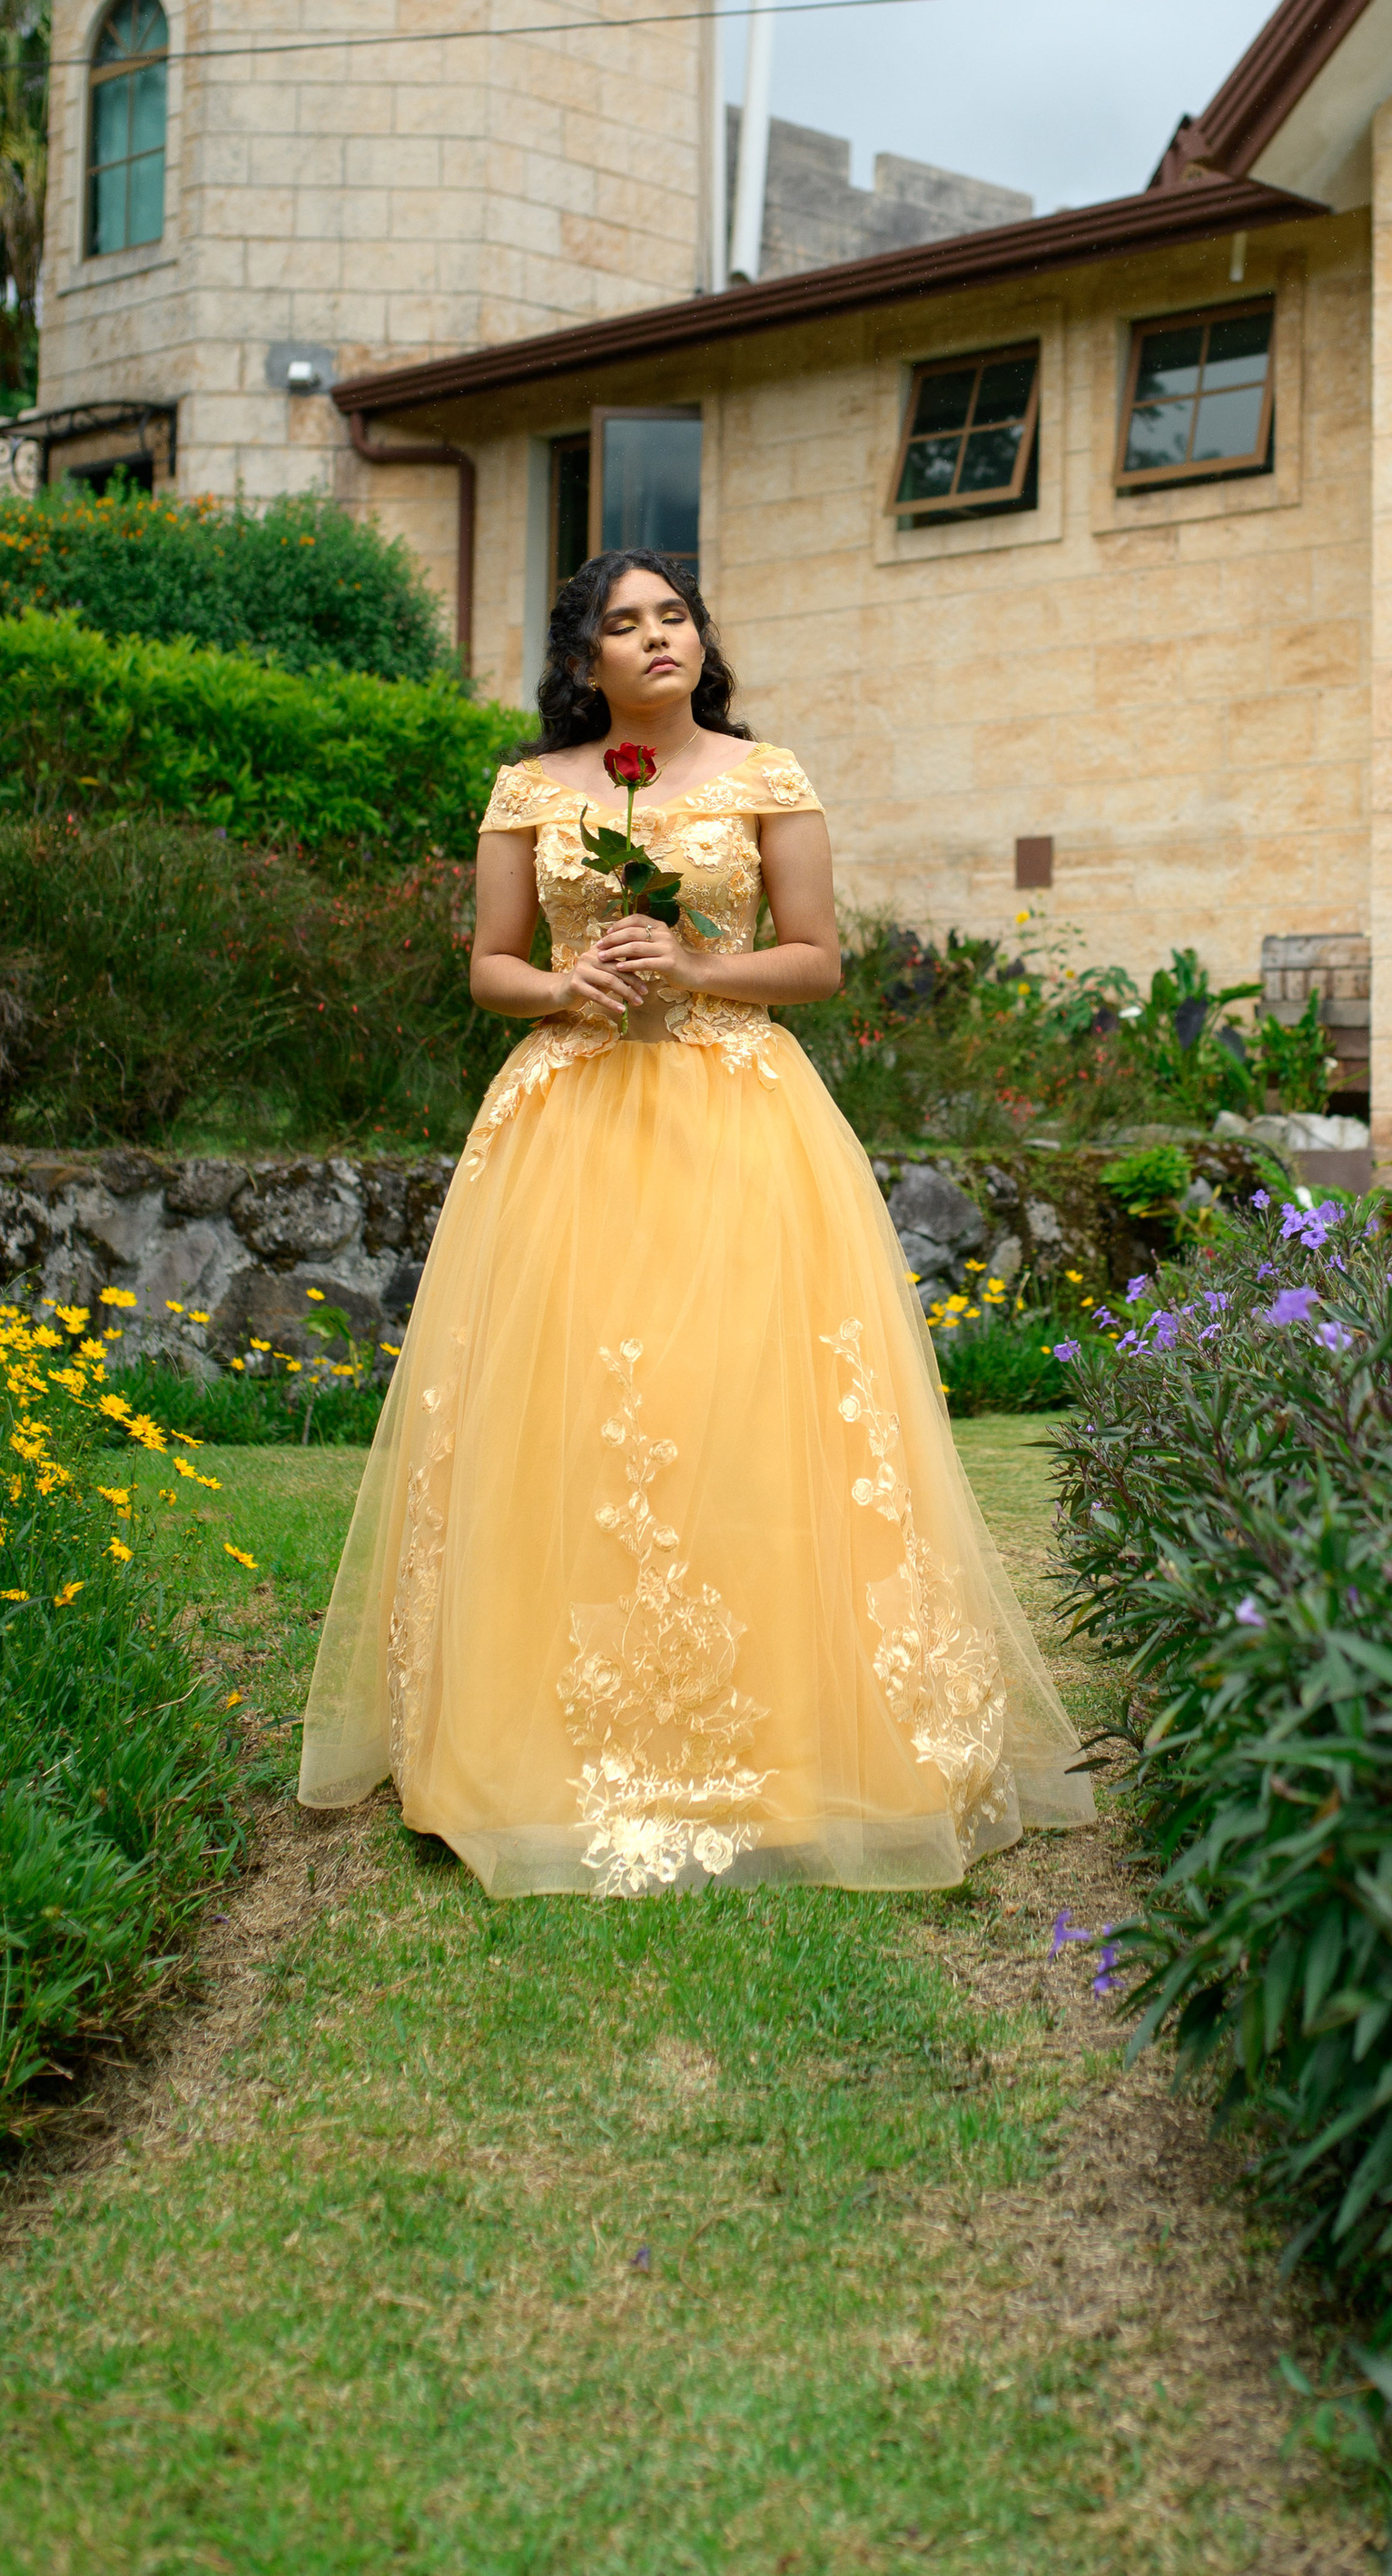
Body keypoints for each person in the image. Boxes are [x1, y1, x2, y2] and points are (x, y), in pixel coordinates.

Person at [300, 549, 1094, 1897]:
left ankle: (787, 1740)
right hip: (569, 1122)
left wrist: (696, 963)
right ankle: (536, 1744)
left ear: (700, 640)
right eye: (625, 622)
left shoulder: (766, 775)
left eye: (675, 615)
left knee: (744, 1404)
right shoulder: (528, 793)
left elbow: (819, 959)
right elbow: (487, 967)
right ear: (583, 662)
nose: (657, 636)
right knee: (558, 1412)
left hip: (738, 1117)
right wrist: (568, 987)